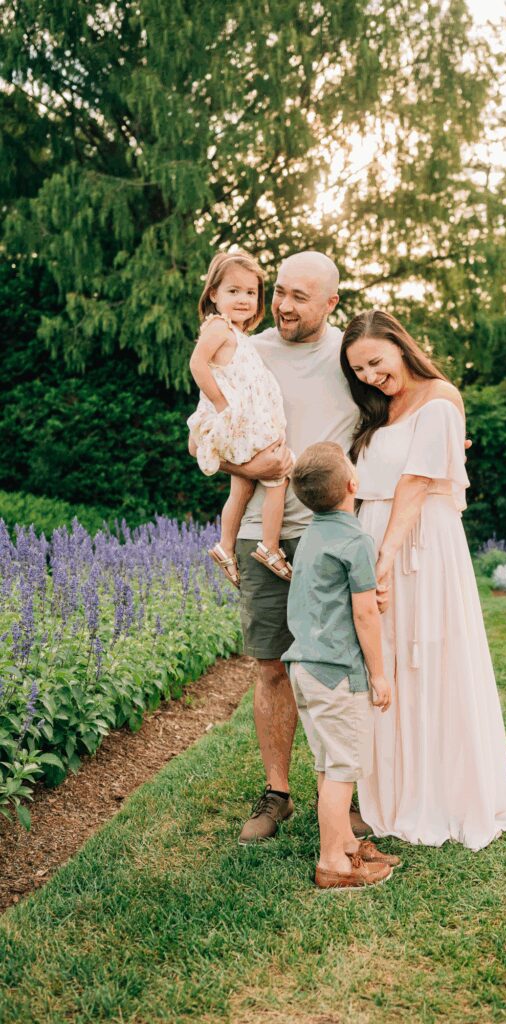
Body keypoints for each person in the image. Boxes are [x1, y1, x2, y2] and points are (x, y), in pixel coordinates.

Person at [341, 309, 506, 850]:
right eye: (359, 371)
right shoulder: (381, 408)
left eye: (376, 363)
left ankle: (438, 793)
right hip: (374, 530)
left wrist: (385, 556)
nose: (371, 377)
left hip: (419, 540)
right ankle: (391, 791)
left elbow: (420, 481)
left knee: (428, 655)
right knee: (386, 658)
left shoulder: (440, 397)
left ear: (400, 346)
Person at [194, 251, 368, 844]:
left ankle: (341, 794)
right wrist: (249, 463)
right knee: (270, 665)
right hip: (257, 536)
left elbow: (399, 406)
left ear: (331, 303)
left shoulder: (351, 356)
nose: (283, 306)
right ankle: (278, 794)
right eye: (280, 293)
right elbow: (212, 439)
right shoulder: (244, 349)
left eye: (299, 297)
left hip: (330, 534)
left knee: (336, 668)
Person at [281, 442, 401, 888]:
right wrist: (379, 674)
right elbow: (365, 614)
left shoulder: (312, 533)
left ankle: (347, 844)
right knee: (340, 772)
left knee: (327, 763)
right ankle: (332, 862)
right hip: (337, 673)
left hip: (304, 670)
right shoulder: (355, 540)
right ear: (354, 484)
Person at [187, 250, 294, 586]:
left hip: (245, 424)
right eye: (234, 291)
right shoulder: (218, 327)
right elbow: (197, 364)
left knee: (242, 487)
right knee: (279, 475)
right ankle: (270, 546)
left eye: (251, 292)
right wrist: (222, 404)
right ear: (214, 295)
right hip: (239, 423)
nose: (244, 299)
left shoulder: (237, 334)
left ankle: (225, 545)